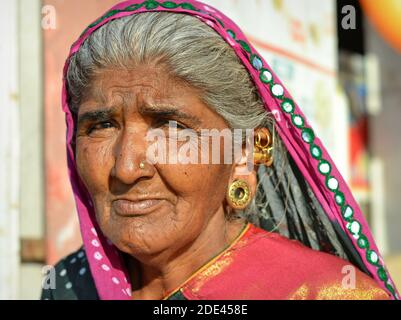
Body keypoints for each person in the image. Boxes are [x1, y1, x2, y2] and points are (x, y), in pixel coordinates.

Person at [41, 0, 398, 300]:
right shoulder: (69, 285)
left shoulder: (325, 292)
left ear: (242, 155)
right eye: (101, 126)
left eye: (171, 127)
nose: (126, 168)